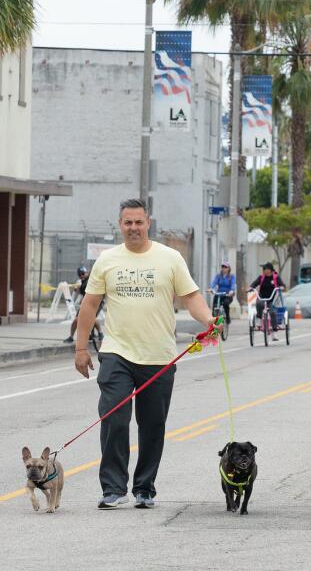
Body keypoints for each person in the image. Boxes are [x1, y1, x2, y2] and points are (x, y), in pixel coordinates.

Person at [74, 198, 215, 510]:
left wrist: (207, 319)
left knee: (152, 426)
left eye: (139, 222)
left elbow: (191, 297)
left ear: (148, 223)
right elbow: (89, 305)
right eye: (128, 223)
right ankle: (112, 488)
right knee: (114, 419)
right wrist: (81, 348)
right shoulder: (108, 260)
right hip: (116, 354)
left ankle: (144, 488)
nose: (133, 228)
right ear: (120, 225)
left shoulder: (170, 258)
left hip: (159, 357)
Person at [249, 262, 287, 340]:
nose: (264, 270)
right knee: (259, 303)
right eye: (263, 269)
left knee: (272, 312)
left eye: (265, 269)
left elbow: (283, 285)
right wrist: (250, 288)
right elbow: (254, 284)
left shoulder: (276, 277)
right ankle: (259, 319)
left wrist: (282, 287)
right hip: (262, 297)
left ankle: (274, 332)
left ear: (270, 270)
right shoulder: (261, 277)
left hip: (272, 298)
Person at [65, 266, 90, 343]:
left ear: (86, 273)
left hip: (89, 304)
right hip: (85, 304)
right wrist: (78, 290)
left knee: (90, 320)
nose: (82, 275)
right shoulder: (83, 281)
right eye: (80, 274)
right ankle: (71, 336)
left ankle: (98, 333)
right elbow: (83, 291)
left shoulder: (89, 281)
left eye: (83, 273)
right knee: (77, 320)